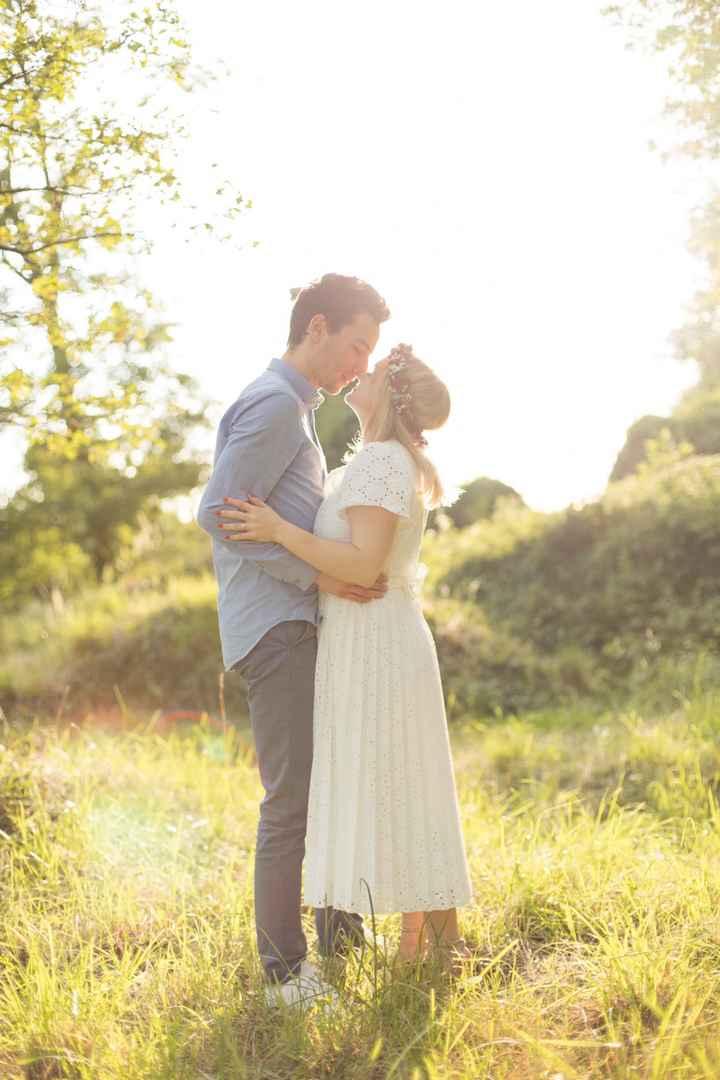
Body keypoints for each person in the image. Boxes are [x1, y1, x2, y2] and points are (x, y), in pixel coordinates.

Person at [216, 341, 475, 976]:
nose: (363, 368)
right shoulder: (373, 461)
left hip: (375, 637)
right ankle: (417, 949)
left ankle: (432, 950)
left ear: (389, 392)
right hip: (360, 636)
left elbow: (362, 566)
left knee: (402, 785)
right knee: (387, 784)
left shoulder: (383, 463)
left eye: (377, 364)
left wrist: (279, 531)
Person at [196, 274, 391, 1007]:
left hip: (294, 623)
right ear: (317, 327)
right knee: (290, 801)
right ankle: (283, 974)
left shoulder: (297, 409)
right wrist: (313, 578)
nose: (358, 364)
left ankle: (342, 934)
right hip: (275, 628)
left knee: (324, 783)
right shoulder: (277, 404)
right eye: (355, 345)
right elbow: (218, 513)